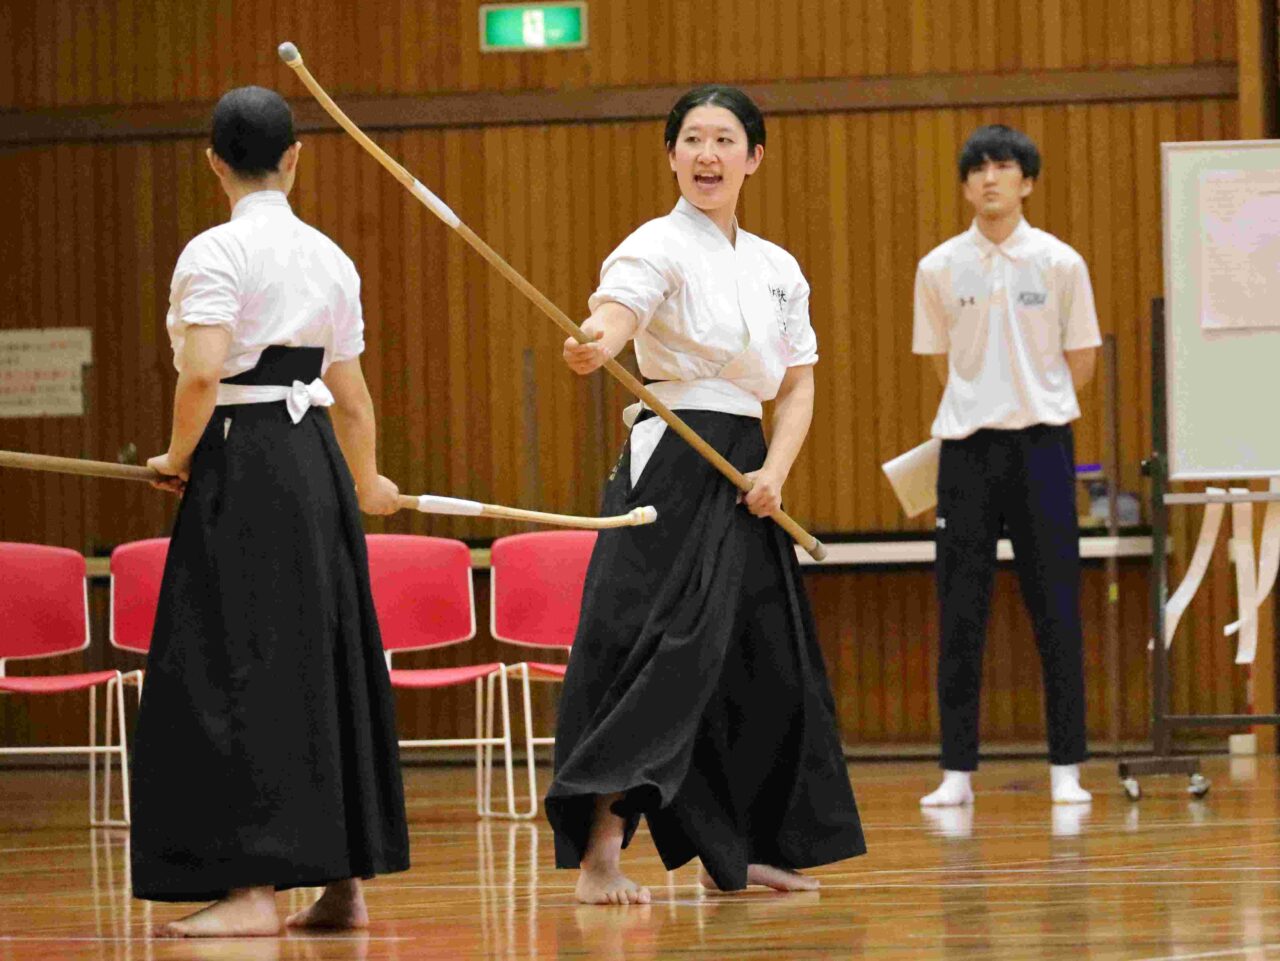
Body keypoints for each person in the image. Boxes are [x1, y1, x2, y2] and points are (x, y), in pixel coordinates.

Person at [546, 84, 866, 905]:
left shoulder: (776, 267)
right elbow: (617, 315)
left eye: (725, 139)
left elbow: (797, 385)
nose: (707, 154)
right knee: (654, 654)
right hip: (673, 467)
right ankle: (602, 851)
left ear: (754, 157)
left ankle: (746, 846)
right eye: (692, 139)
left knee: (762, 658)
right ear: (672, 156)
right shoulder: (655, 244)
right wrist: (597, 342)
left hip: (746, 466)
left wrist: (775, 474)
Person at [131, 85, 410, 937]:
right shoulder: (329, 256)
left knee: (234, 667)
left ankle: (252, 891)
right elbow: (352, 396)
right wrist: (367, 481)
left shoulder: (214, 250)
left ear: (214, 160)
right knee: (323, 663)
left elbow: (203, 375)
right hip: (314, 465)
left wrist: (176, 457)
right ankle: (341, 886)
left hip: (244, 462)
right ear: (296, 157)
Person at [912, 124, 1101, 808]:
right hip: (965, 449)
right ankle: (956, 772)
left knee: (1057, 607)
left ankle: (1066, 768)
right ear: (965, 185)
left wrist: (1036, 400)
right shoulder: (937, 268)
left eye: (1004, 166)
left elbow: (1081, 357)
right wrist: (982, 399)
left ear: (1027, 180)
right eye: (978, 169)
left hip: (1044, 447)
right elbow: (941, 361)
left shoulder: (1060, 263)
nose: (990, 178)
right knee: (960, 609)